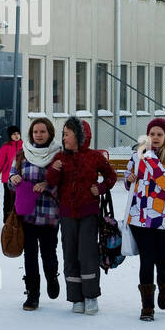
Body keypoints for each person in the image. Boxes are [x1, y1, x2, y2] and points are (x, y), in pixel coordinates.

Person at [45, 117, 117, 315]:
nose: (64, 137)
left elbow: (111, 176)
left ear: (79, 136)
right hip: (67, 214)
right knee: (70, 254)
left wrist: (100, 188)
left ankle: (91, 296)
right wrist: (54, 170)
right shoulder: (60, 158)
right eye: (63, 134)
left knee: (87, 254)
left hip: (89, 213)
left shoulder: (94, 157)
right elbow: (51, 182)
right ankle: (76, 298)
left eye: (67, 133)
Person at [122, 118, 165, 321]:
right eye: (152, 134)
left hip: (163, 218)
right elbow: (128, 180)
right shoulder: (136, 156)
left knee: (164, 261)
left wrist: (149, 158)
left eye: (159, 135)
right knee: (146, 260)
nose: (155, 138)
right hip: (139, 217)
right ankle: (147, 305)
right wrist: (129, 179)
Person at [8, 117, 60, 311]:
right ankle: (32, 294)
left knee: (48, 253)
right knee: (30, 256)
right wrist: (13, 178)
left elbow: (62, 183)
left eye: (42, 131)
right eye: (35, 132)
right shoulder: (23, 154)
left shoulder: (57, 155)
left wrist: (48, 185)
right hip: (27, 215)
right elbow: (10, 180)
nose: (38, 135)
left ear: (50, 133)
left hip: (49, 214)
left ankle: (52, 276)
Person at [0, 125, 22, 224]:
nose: (16, 136)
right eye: (14, 134)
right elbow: (0, 162)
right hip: (7, 178)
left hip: (20, 178)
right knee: (8, 200)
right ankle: (7, 220)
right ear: (10, 136)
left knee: (19, 200)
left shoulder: (25, 146)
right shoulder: (6, 147)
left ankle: (18, 220)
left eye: (18, 133)